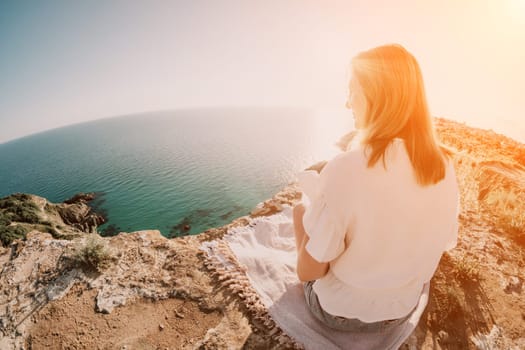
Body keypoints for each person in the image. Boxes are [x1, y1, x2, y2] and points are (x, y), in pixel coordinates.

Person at [292, 44, 459, 333]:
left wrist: (311, 216)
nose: (347, 103)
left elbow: (309, 272)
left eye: (352, 90)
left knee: (299, 209)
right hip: (400, 310)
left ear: (376, 96)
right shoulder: (445, 167)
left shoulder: (345, 167)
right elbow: (439, 244)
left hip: (337, 313)